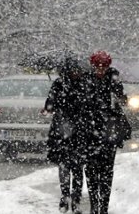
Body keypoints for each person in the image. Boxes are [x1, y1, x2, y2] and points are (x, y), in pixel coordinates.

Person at [80, 50, 127, 214]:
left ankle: (103, 207)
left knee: (106, 171)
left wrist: (119, 98)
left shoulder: (113, 78)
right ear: (93, 66)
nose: (100, 69)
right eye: (97, 66)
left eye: (103, 66)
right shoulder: (86, 78)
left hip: (108, 131)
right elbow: (81, 101)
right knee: (91, 170)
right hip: (90, 131)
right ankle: (94, 205)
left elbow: (122, 99)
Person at [44, 56, 91, 212]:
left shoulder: (85, 84)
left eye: (78, 70)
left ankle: (76, 198)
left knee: (77, 167)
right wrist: (53, 105)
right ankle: (65, 195)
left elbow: (89, 105)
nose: (76, 73)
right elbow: (49, 104)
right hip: (62, 131)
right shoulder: (59, 84)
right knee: (64, 165)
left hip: (79, 131)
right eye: (73, 70)